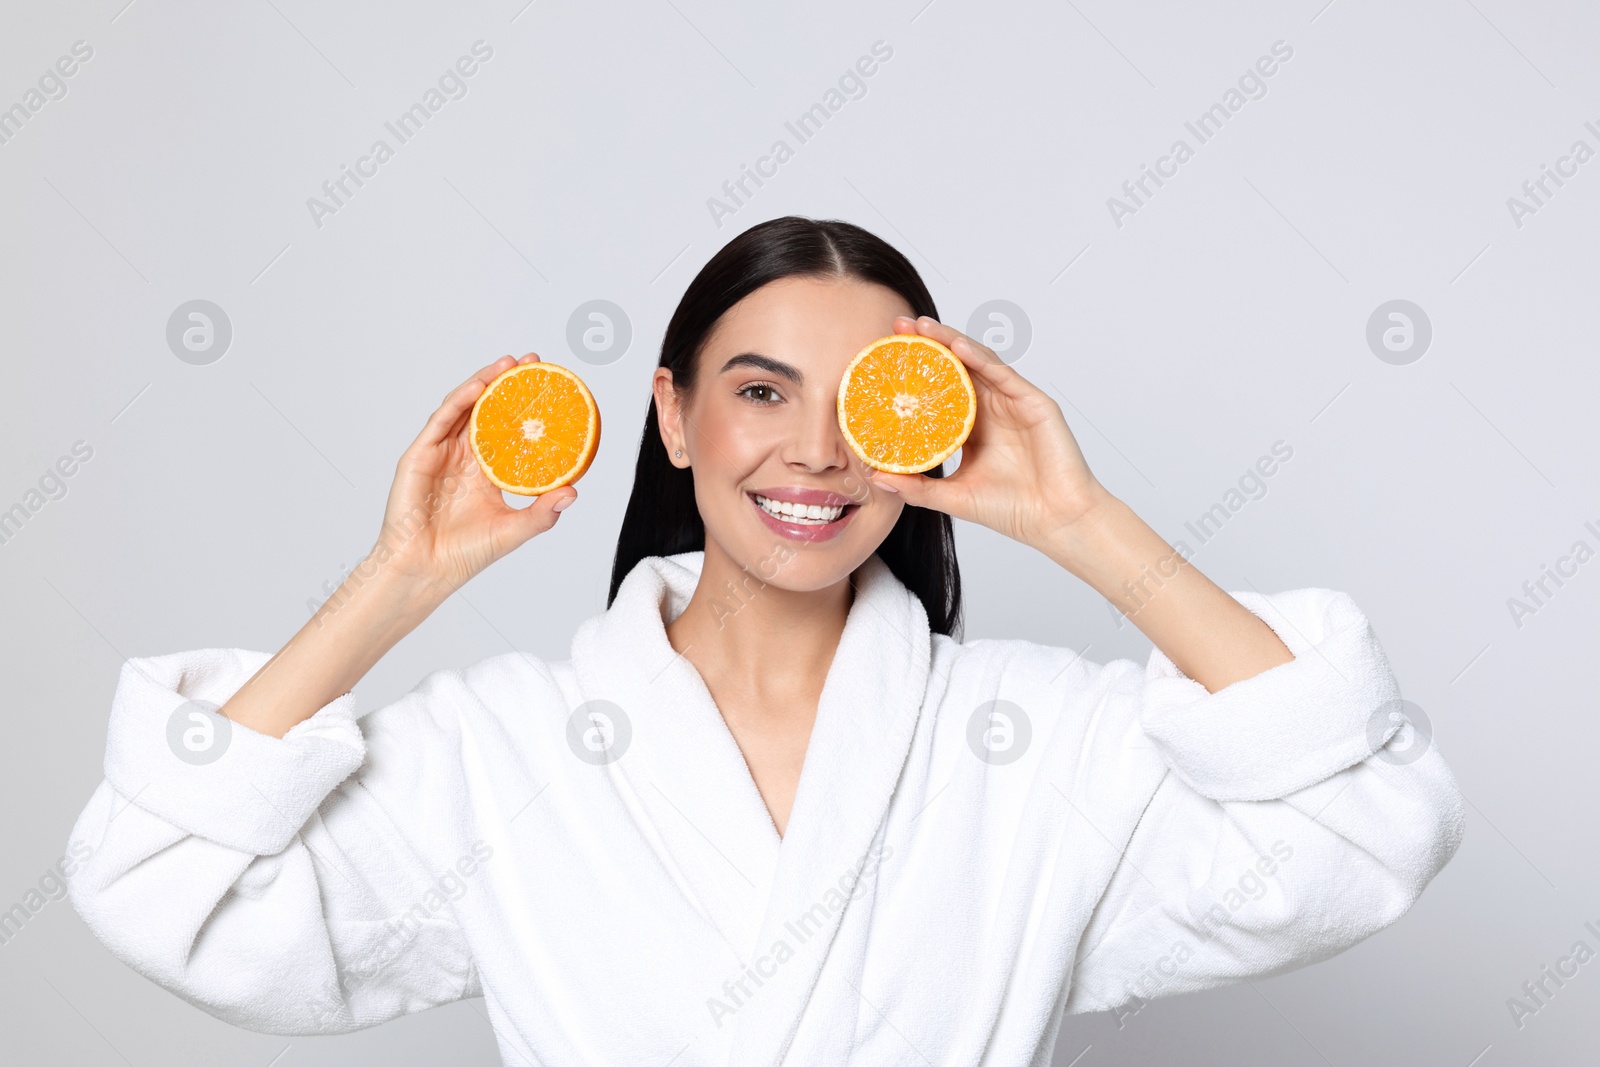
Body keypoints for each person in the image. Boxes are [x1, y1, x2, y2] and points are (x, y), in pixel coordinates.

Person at [67, 216, 1464, 1065]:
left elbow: (1362, 827)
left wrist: (1085, 524)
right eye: (759, 390)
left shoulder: (1036, 744)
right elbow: (160, 891)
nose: (813, 451)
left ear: (928, 425)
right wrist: (396, 578)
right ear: (674, 420)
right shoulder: (505, 750)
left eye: (869, 403)